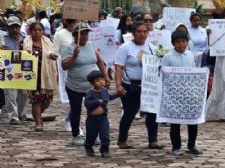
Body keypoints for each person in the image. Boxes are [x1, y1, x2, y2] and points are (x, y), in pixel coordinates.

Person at [114, 21, 163, 150]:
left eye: (144, 32)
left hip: (148, 85)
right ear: (133, 33)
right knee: (129, 113)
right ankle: (122, 139)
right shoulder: (125, 48)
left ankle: (153, 140)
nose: (142, 34)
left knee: (152, 113)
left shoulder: (152, 48)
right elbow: (119, 68)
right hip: (130, 85)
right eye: (139, 32)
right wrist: (118, 85)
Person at [61, 23, 109, 145]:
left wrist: (105, 76)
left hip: (92, 86)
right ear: (75, 35)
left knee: (95, 109)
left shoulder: (91, 45)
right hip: (75, 86)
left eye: (86, 33)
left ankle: (94, 133)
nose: (84, 36)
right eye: (81, 33)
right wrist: (74, 57)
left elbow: (99, 61)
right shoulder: (69, 48)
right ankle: (76, 134)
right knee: (76, 110)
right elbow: (64, 66)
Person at [162, 30, 203, 156]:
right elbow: (163, 74)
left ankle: (191, 144)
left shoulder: (190, 55)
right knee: (175, 122)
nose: (181, 44)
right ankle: (176, 146)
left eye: (183, 41)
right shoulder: (168, 57)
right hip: (174, 95)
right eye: (178, 42)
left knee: (193, 121)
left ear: (187, 42)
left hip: (189, 93)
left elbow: (195, 72)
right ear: (173, 43)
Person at [23, 22, 59, 131]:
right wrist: (27, 53)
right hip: (33, 75)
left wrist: (53, 56)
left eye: (40, 30)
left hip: (46, 74)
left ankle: (37, 116)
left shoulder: (47, 41)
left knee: (47, 100)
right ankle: (38, 123)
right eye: (35, 30)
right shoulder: (26, 42)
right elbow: (22, 54)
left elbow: (53, 53)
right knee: (36, 100)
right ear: (31, 31)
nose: (37, 32)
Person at [83, 70, 119, 158]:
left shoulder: (105, 91)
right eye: (98, 81)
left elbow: (110, 97)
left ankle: (104, 150)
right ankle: (88, 147)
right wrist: (97, 102)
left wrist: (119, 94)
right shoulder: (90, 93)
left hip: (103, 118)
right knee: (91, 136)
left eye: (102, 79)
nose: (101, 82)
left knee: (105, 135)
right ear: (92, 83)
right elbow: (87, 103)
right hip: (92, 119)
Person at [1, 16, 28, 124]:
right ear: (8, 28)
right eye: (12, 27)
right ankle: (13, 116)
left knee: (23, 93)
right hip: (8, 70)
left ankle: (22, 114)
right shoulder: (2, 38)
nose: (14, 30)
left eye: (16, 27)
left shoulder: (25, 38)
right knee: (10, 94)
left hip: (23, 69)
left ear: (20, 27)